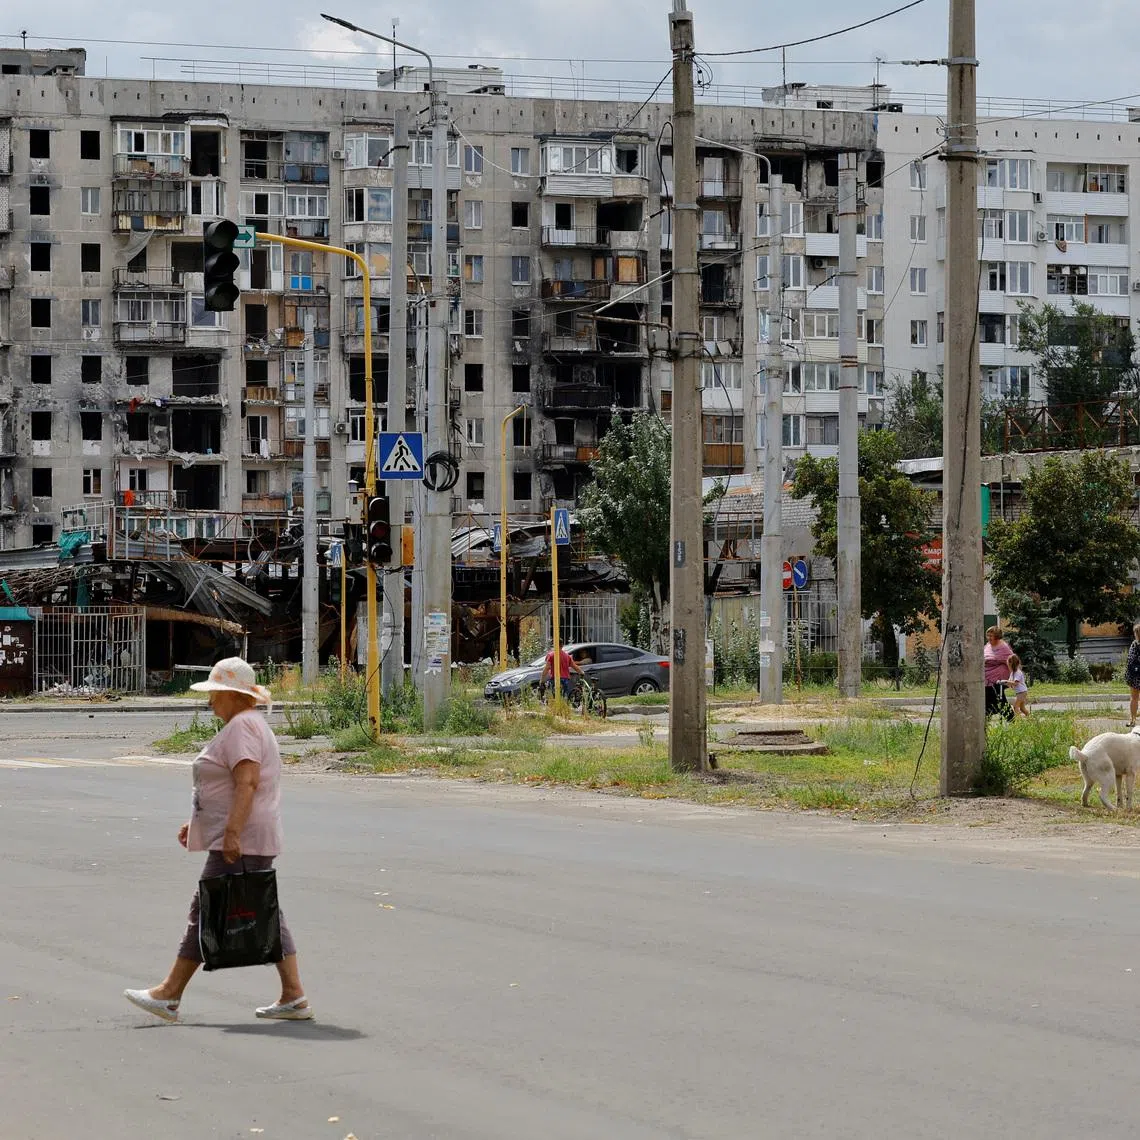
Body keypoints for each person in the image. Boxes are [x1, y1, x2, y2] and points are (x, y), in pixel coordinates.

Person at [124, 657, 312, 1023]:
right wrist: (197, 822)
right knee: (262, 912)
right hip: (251, 836)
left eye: (214, 695)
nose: (211, 703)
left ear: (231, 694)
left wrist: (231, 834)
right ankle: (294, 996)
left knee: (206, 912)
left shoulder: (243, 726)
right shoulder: (249, 723)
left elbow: (247, 783)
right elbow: (229, 786)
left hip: (244, 839)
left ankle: (168, 994)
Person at [983, 625, 1015, 722]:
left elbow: (1012, 661)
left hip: (998, 679)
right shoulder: (988, 645)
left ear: (997, 636)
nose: (988, 638)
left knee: (998, 700)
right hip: (987, 680)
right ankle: (988, 717)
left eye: (991, 636)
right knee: (992, 700)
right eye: (987, 635)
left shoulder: (1003, 647)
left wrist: (1014, 677)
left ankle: (1010, 718)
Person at [1004, 652, 1030, 717]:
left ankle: (1019, 722)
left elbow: (1015, 683)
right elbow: (1010, 682)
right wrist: (1003, 683)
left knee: (1016, 707)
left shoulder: (1018, 672)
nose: (1008, 667)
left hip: (1022, 692)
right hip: (1020, 692)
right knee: (1022, 708)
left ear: (1012, 664)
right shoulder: (1012, 673)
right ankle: (1031, 720)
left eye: (1009, 665)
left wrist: (1006, 682)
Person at [1126, 623, 1140, 727]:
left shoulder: (1134, 644)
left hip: (1135, 676)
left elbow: (1130, 660)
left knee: (1134, 698)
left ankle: (1132, 720)